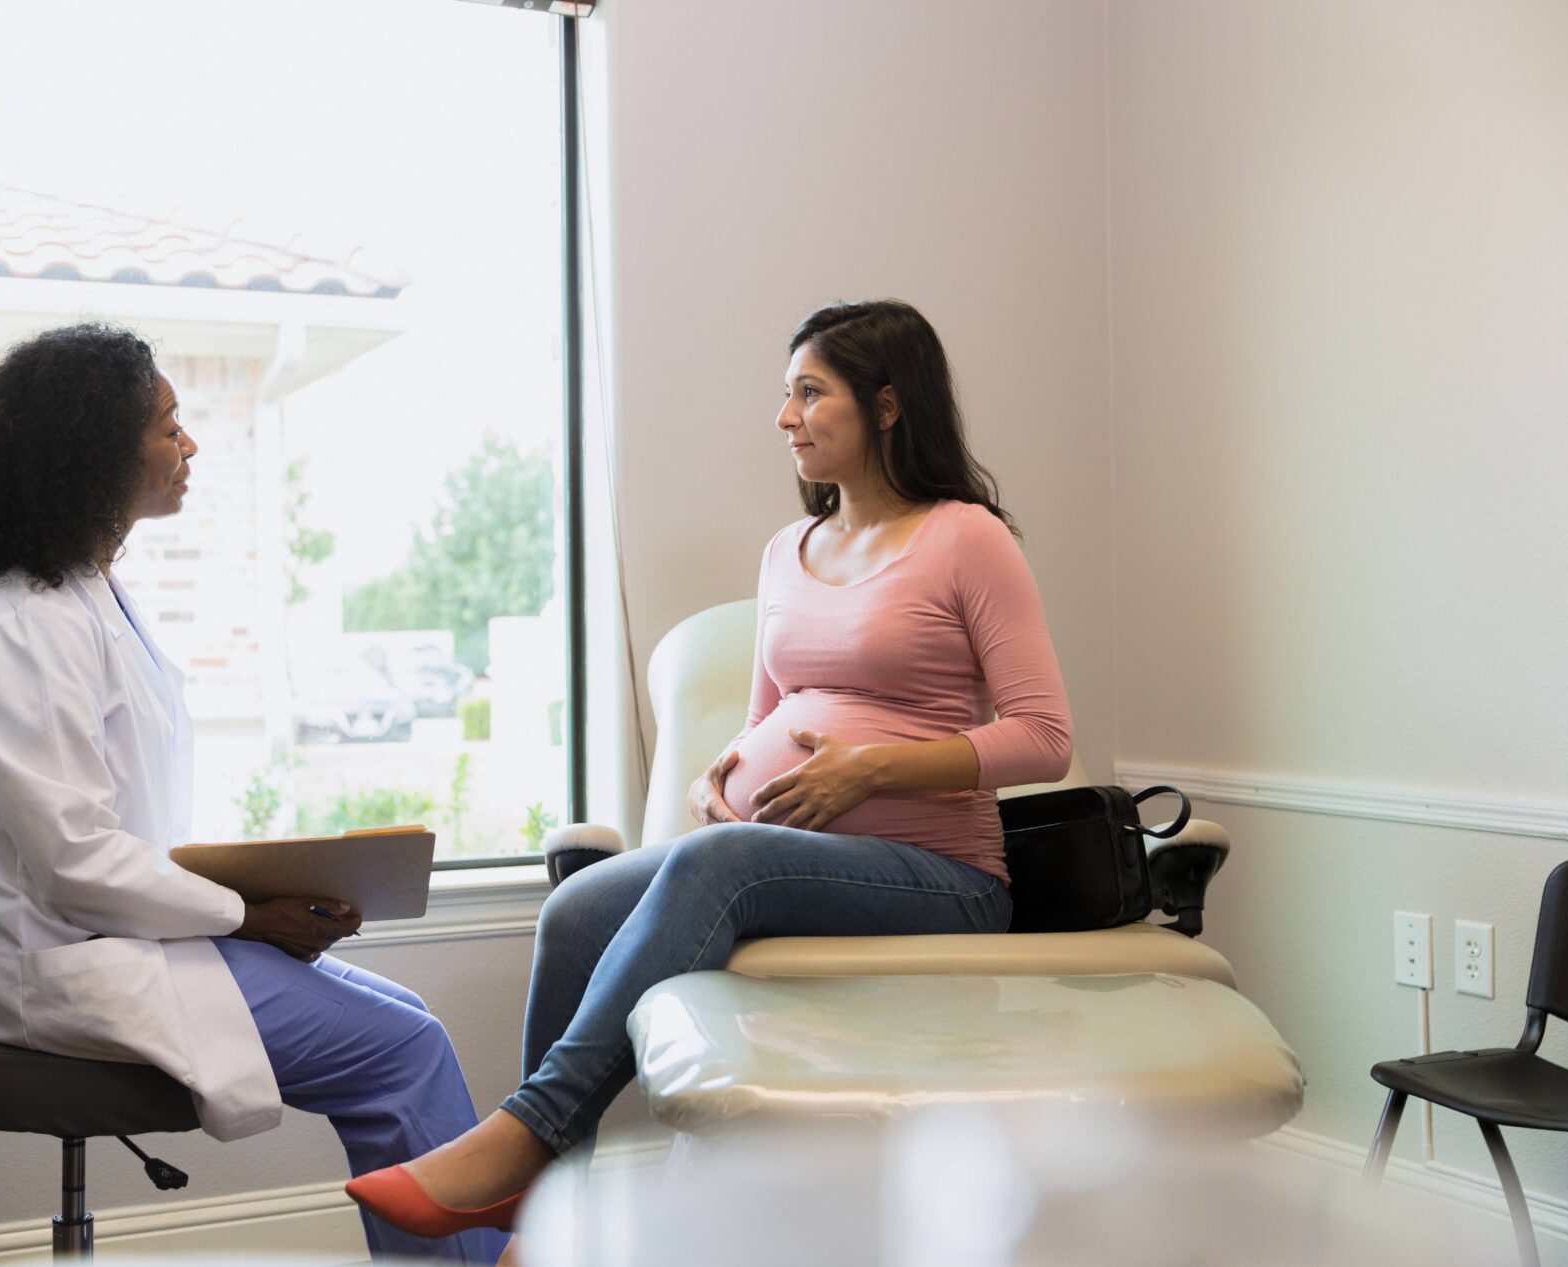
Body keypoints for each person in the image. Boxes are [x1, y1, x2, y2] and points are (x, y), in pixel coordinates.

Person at [344, 299, 1074, 1239]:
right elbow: (770, 717)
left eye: (812, 393)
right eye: (786, 395)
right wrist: (715, 780)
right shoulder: (787, 549)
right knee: (577, 910)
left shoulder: (967, 537)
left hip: (946, 879)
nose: (786, 418)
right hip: (781, 854)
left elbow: (1044, 735)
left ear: (888, 406)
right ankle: (555, 1216)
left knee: (716, 864)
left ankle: (528, 1135)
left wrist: (870, 773)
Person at [0, 323, 506, 1265]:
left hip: (110, 935)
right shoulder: (28, 625)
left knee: (412, 1027)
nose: (189, 445)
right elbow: (72, 860)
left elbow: (112, 830)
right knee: (400, 1053)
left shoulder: (86, 598)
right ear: (96, 450)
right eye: (168, 424)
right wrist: (246, 915)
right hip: (49, 966)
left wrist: (249, 895)